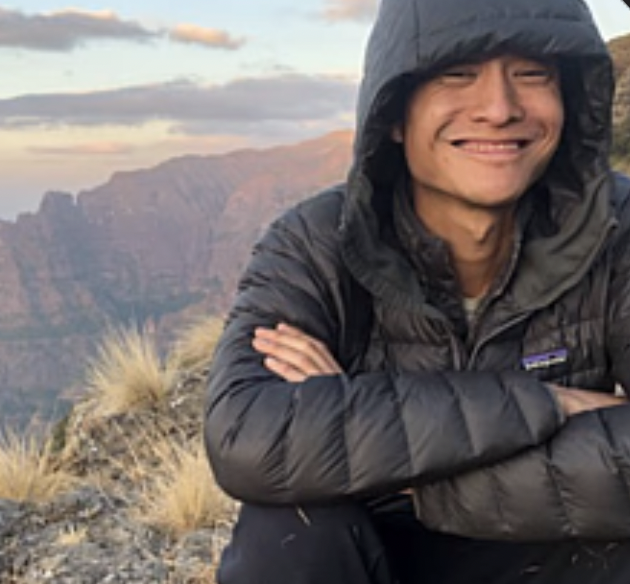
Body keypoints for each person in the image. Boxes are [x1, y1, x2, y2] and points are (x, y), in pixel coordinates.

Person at [204, 0, 630, 581]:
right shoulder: (315, 244)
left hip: (555, 555)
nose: (500, 109)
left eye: (533, 74)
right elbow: (247, 434)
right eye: (457, 73)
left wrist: (393, 463)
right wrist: (551, 404)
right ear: (395, 113)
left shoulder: (617, 228)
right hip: (381, 562)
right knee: (288, 529)